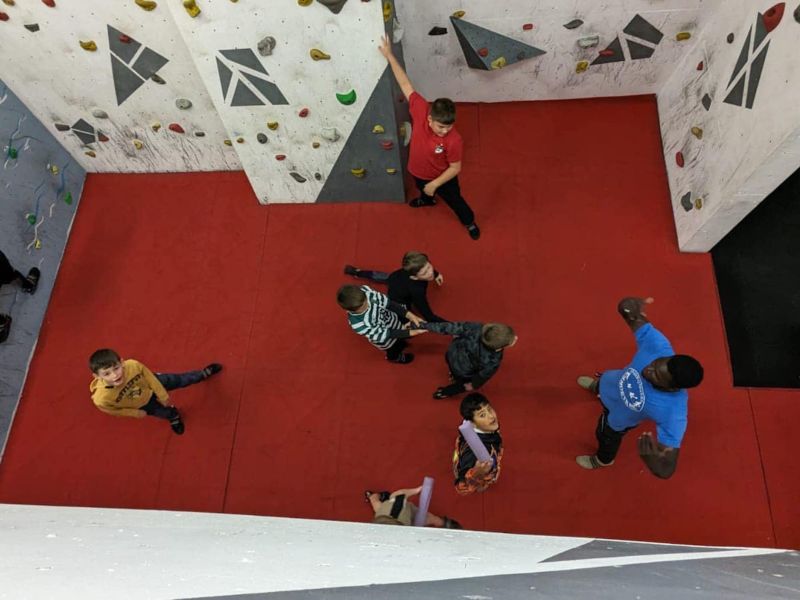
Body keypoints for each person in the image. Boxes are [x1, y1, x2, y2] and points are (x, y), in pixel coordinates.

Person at [575, 297, 704, 479]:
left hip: (616, 420)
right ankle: (596, 387)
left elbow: (667, 468)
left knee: (605, 437)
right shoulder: (658, 346)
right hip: (610, 383)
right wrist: (629, 306)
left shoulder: (673, 411)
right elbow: (626, 309)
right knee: (603, 383)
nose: (648, 370)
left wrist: (653, 462)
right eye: (656, 364)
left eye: (656, 376)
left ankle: (603, 460)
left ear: (672, 388)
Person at [378, 34, 481, 240]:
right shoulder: (420, 109)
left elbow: (455, 168)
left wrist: (435, 184)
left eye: (449, 126)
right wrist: (389, 55)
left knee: (456, 201)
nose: (445, 131)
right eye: (441, 126)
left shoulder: (454, 140)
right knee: (422, 189)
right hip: (417, 171)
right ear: (430, 119)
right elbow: (405, 84)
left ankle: (469, 222)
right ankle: (427, 200)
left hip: (442, 178)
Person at [89, 348, 222, 435]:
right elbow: (113, 410)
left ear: (122, 363)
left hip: (154, 383)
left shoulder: (132, 365)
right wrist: (135, 413)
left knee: (180, 379)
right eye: (107, 374)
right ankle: (174, 417)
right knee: (163, 413)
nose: (114, 375)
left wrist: (162, 394)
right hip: (143, 404)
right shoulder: (101, 398)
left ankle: (200, 374)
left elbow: (149, 376)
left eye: (116, 368)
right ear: (97, 376)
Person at [416, 321, 517, 398]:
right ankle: (444, 393)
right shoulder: (493, 360)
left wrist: (424, 325)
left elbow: (448, 327)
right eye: (511, 341)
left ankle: (451, 374)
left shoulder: (476, 328)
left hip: (452, 354)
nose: (516, 338)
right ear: (499, 347)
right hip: (463, 371)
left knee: (452, 367)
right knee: (460, 384)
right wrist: (474, 385)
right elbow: (482, 376)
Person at [343, 251, 447, 323]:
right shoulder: (417, 291)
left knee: (378, 275)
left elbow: (424, 266)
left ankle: (357, 272)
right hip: (398, 298)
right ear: (414, 277)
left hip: (394, 277)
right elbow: (428, 315)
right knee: (404, 315)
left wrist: (436, 274)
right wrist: (451, 327)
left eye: (429, 267)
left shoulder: (411, 269)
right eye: (425, 273)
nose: (430, 272)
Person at [337, 284, 426, 364]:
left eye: (366, 300)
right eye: (363, 306)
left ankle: (401, 342)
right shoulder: (359, 325)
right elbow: (387, 334)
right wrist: (411, 332)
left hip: (394, 323)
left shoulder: (366, 292)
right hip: (387, 340)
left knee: (401, 341)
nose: (368, 304)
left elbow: (389, 304)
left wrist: (411, 316)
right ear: (351, 310)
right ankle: (395, 358)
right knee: (394, 350)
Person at [453, 393, 503, 494]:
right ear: (472, 423)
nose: (491, 416)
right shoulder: (472, 453)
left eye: (489, 409)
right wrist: (477, 473)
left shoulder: (487, 426)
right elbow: (461, 488)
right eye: (482, 415)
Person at [365, 486, 462, 528]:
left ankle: (373, 496)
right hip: (397, 518)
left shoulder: (396, 508)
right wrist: (416, 490)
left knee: (376, 503)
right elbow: (399, 494)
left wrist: (416, 490)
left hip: (398, 514)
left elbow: (400, 495)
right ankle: (442, 522)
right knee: (426, 518)